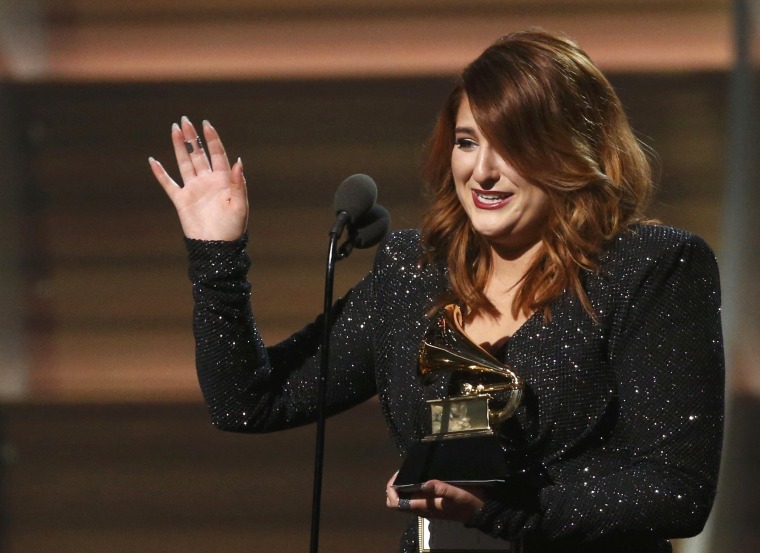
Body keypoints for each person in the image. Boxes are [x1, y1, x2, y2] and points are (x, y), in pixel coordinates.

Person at [149, 29, 724, 553]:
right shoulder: (412, 272)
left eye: (514, 144)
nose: (484, 171)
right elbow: (249, 401)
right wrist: (217, 254)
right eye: (468, 141)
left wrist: (502, 513)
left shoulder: (651, 268)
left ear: (574, 152)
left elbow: (676, 491)